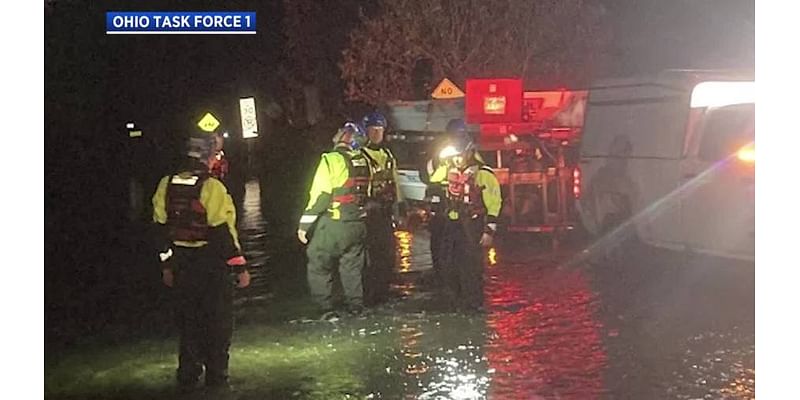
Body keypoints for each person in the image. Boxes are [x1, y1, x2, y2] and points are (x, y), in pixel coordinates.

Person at [152, 132, 250, 390]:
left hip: (182, 264)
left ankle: (187, 374)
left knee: (188, 321)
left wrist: (167, 266)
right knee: (218, 321)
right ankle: (217, 377)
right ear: (208, 157)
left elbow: (160, 230)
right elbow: (222, 230)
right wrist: (239, 266)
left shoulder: (166, 184)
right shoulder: (212, 187)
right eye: (216, 155)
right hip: (210, 264)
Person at [297, 123, 369, 320]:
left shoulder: (330, 160)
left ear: (346, 136)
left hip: (336, 223)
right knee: (352, 267)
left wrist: (304, 226)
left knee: (318, 261)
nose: (336, 132)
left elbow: (320, 195)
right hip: (358, 224)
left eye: (341, 131)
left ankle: (325, 309)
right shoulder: (364, 160)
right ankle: (356, 307)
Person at [428, 119, 502, 311]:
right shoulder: (447, 168)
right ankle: (455, 300)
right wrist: (441, 160)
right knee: (447, 262)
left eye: (460, 155)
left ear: (468, 152)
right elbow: (432, 177)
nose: (457, 159)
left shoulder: (483, 174)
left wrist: (489, 230)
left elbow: (494, 202)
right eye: (456, 156)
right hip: (452, 224)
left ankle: (473, 304)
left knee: (471, 266)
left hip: (473, 225)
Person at [360, 112, 403, 306]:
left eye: (380, 130)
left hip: (385, 211)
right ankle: (370, 294)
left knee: (388, 253)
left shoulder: (387, 155)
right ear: (366, 131)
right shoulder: (360, 155)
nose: (377, 134)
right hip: (368, 213)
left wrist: (400, 205)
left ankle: (384, 291)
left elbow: (395, 181)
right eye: (373, 130)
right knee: (372, 255)